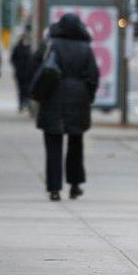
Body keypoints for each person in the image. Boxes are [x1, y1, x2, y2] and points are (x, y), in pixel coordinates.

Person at [33, 13, 99, 202]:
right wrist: (88, 95)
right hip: (78, 98)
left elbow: (36, 64)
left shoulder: (51, 44)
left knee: (53, 144)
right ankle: (75, 184)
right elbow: (93, 76)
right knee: (76, 143)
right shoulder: (86, 48)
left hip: (52, 96)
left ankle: (54, 188)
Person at [10, 28, 33, 113]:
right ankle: (21, 104)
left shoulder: (29, 47)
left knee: (26, 89)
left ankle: (25, 103)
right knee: (20, 89)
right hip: (20, 72)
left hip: (27, 72)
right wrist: (17, 66)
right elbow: (12, 58)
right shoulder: (17, 47)